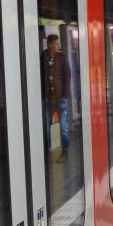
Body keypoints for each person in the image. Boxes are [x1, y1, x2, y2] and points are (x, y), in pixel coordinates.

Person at [41, 34, 71, 163]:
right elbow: (41, 75)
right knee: (46, 126)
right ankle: (46, 152)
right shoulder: (43, 56)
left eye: (58, 43)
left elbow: (67, 75)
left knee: (63, 127)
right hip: (48, 99)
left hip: (60, 99)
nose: (58, 45)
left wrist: (64, 95)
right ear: (49, 44)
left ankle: (65, 152)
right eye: (56, 44)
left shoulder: (62, 56)